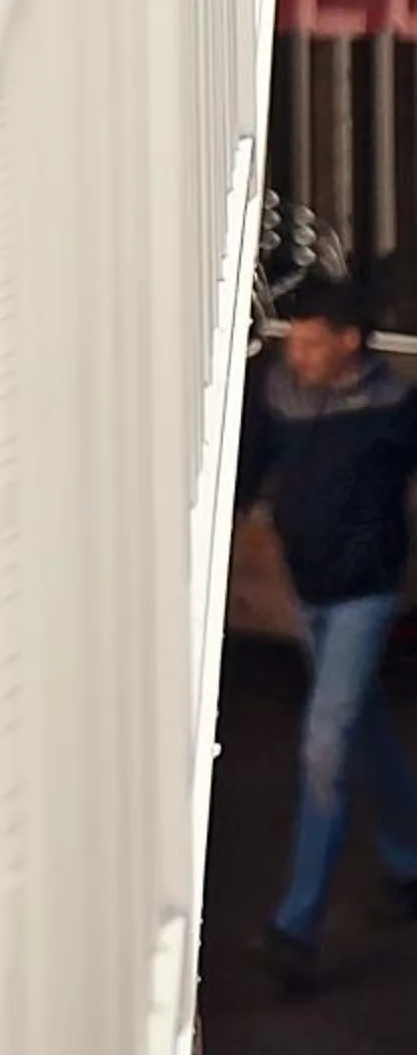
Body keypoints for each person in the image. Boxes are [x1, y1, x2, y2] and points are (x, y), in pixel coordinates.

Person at [235, 271, 417, 988]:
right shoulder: (278, 396)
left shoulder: (395, 408)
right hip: (307, 592)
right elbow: (247, 471)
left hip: (364, 596)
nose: (297, 356)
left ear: (350, 343)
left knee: (322, 746)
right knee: (356, 723)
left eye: (312, 344)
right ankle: (408, 860)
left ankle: (295, 928)